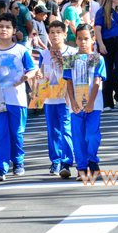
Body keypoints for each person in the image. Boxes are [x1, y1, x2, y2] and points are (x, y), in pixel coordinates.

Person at [0, 12, 37, 182]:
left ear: (13, 30)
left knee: (16, 132)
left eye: (8, 27)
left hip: (17, 98)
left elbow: (32, 70)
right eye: (1, 26)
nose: (4, 30)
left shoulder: (21, 50)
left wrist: (25, 78)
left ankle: (18, 162)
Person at [64, 23, 106, 180]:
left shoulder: (98, 59)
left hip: (93, 105)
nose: (83, 42)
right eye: (80, 39)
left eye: (86, 39)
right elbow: (68, 82)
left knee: (92, 134)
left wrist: (91, 102)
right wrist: (72, 102)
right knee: (78, 137)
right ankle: (82, 168)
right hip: (75, 106)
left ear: (93, 40)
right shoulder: (71, 60)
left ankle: (92, 159)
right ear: (75, 40)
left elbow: (97, 81)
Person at [40, 21, 76, 179]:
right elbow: (39, 75)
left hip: (67, 99)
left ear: (64, 34)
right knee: (53, 131)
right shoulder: (43, 54)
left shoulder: (72, 52)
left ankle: (66, 162)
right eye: (52, 32)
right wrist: (38, 77)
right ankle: (55, 161)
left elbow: (81, 73)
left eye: (58, 32)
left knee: (66, 130)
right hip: (50, 99)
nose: (55, 35)